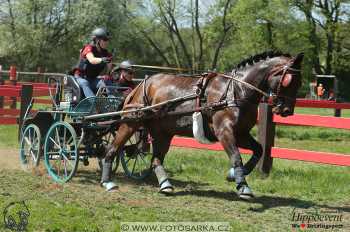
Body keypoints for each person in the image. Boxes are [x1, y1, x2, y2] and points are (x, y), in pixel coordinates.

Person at [73, 27, 113, 98]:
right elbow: (92, 60)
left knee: (104, 83)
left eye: (108, 40)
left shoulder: (106, 53)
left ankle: (112, 101)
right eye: (105, 39)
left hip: (92, 79)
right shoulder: (88, 48)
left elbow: (108, 71)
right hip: (80, 78)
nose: (107, 42)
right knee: (84, 83)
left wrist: (108, 73)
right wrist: (102, 59)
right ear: (97, 40)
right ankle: (93, 103)